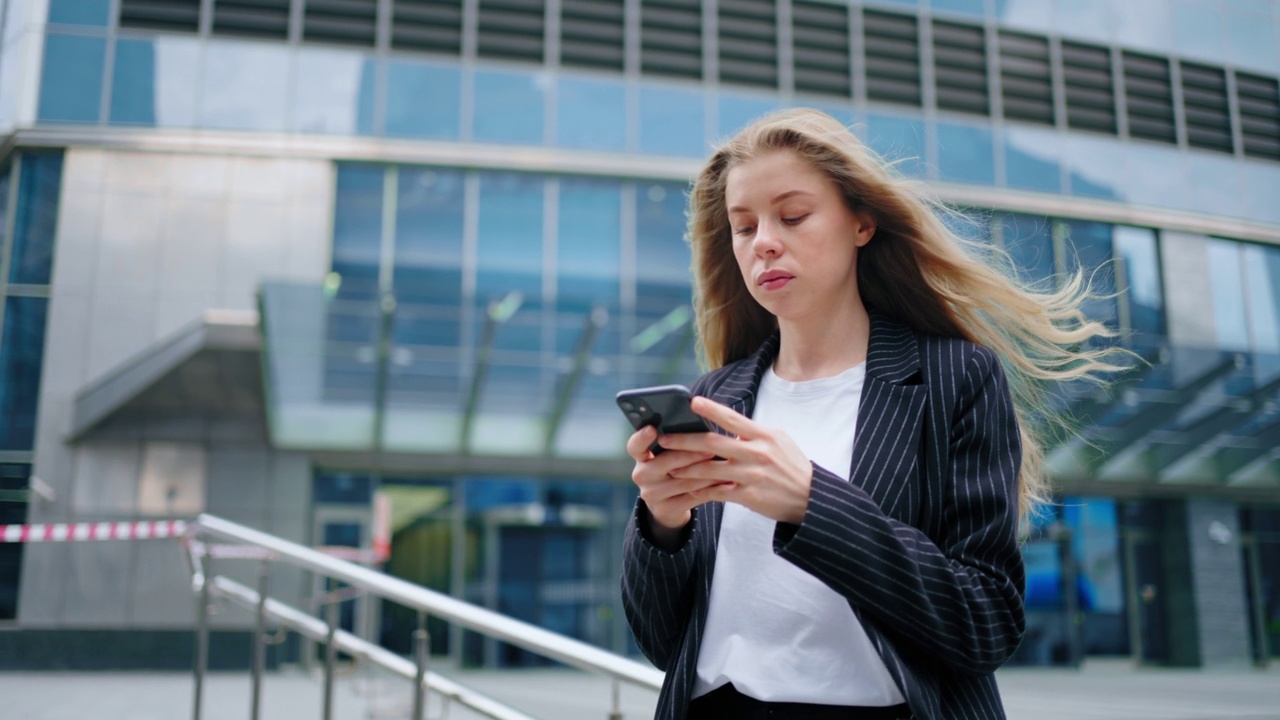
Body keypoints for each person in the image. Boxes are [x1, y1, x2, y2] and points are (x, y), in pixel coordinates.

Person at [620, 108, 1124, 720]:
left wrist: (812, 502)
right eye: (743, 226)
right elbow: (660, 641)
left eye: (793, 215)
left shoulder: (955, 379)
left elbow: (985, 621)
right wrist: (661, 526)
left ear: (861, 222)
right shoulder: (714, 400)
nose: (765, 242)